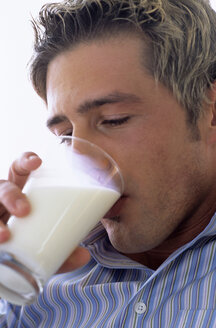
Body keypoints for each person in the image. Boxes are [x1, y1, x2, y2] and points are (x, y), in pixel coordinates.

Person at [1, 0, 216, 326]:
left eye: (114, 120)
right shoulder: (36, 285)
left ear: (209, 111)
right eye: (66, 135)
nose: (83, 160)